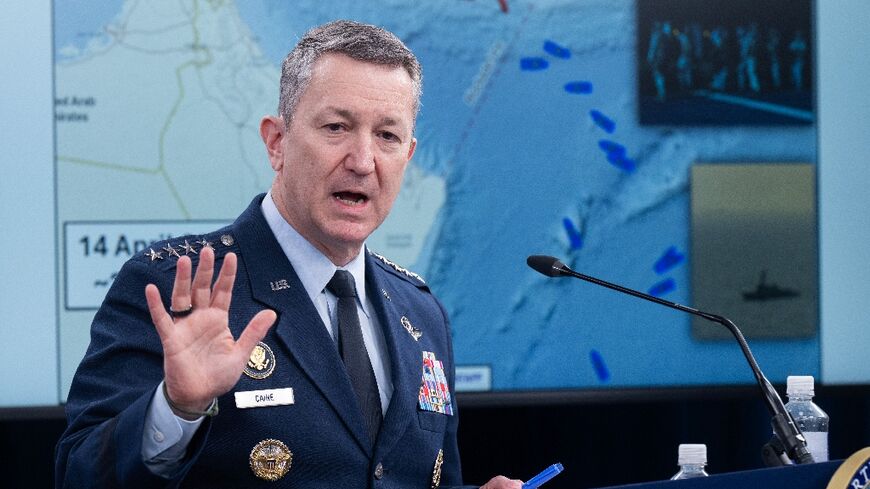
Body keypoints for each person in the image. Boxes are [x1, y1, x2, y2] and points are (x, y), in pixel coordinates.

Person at [55, 20, 522, 489]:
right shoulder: (177, 284)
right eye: (337, 127)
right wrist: (177, 408)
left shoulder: (421, 311)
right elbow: (77, 476)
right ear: (276, 142)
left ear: (408, 154)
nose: (363, 161)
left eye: (387, 136)